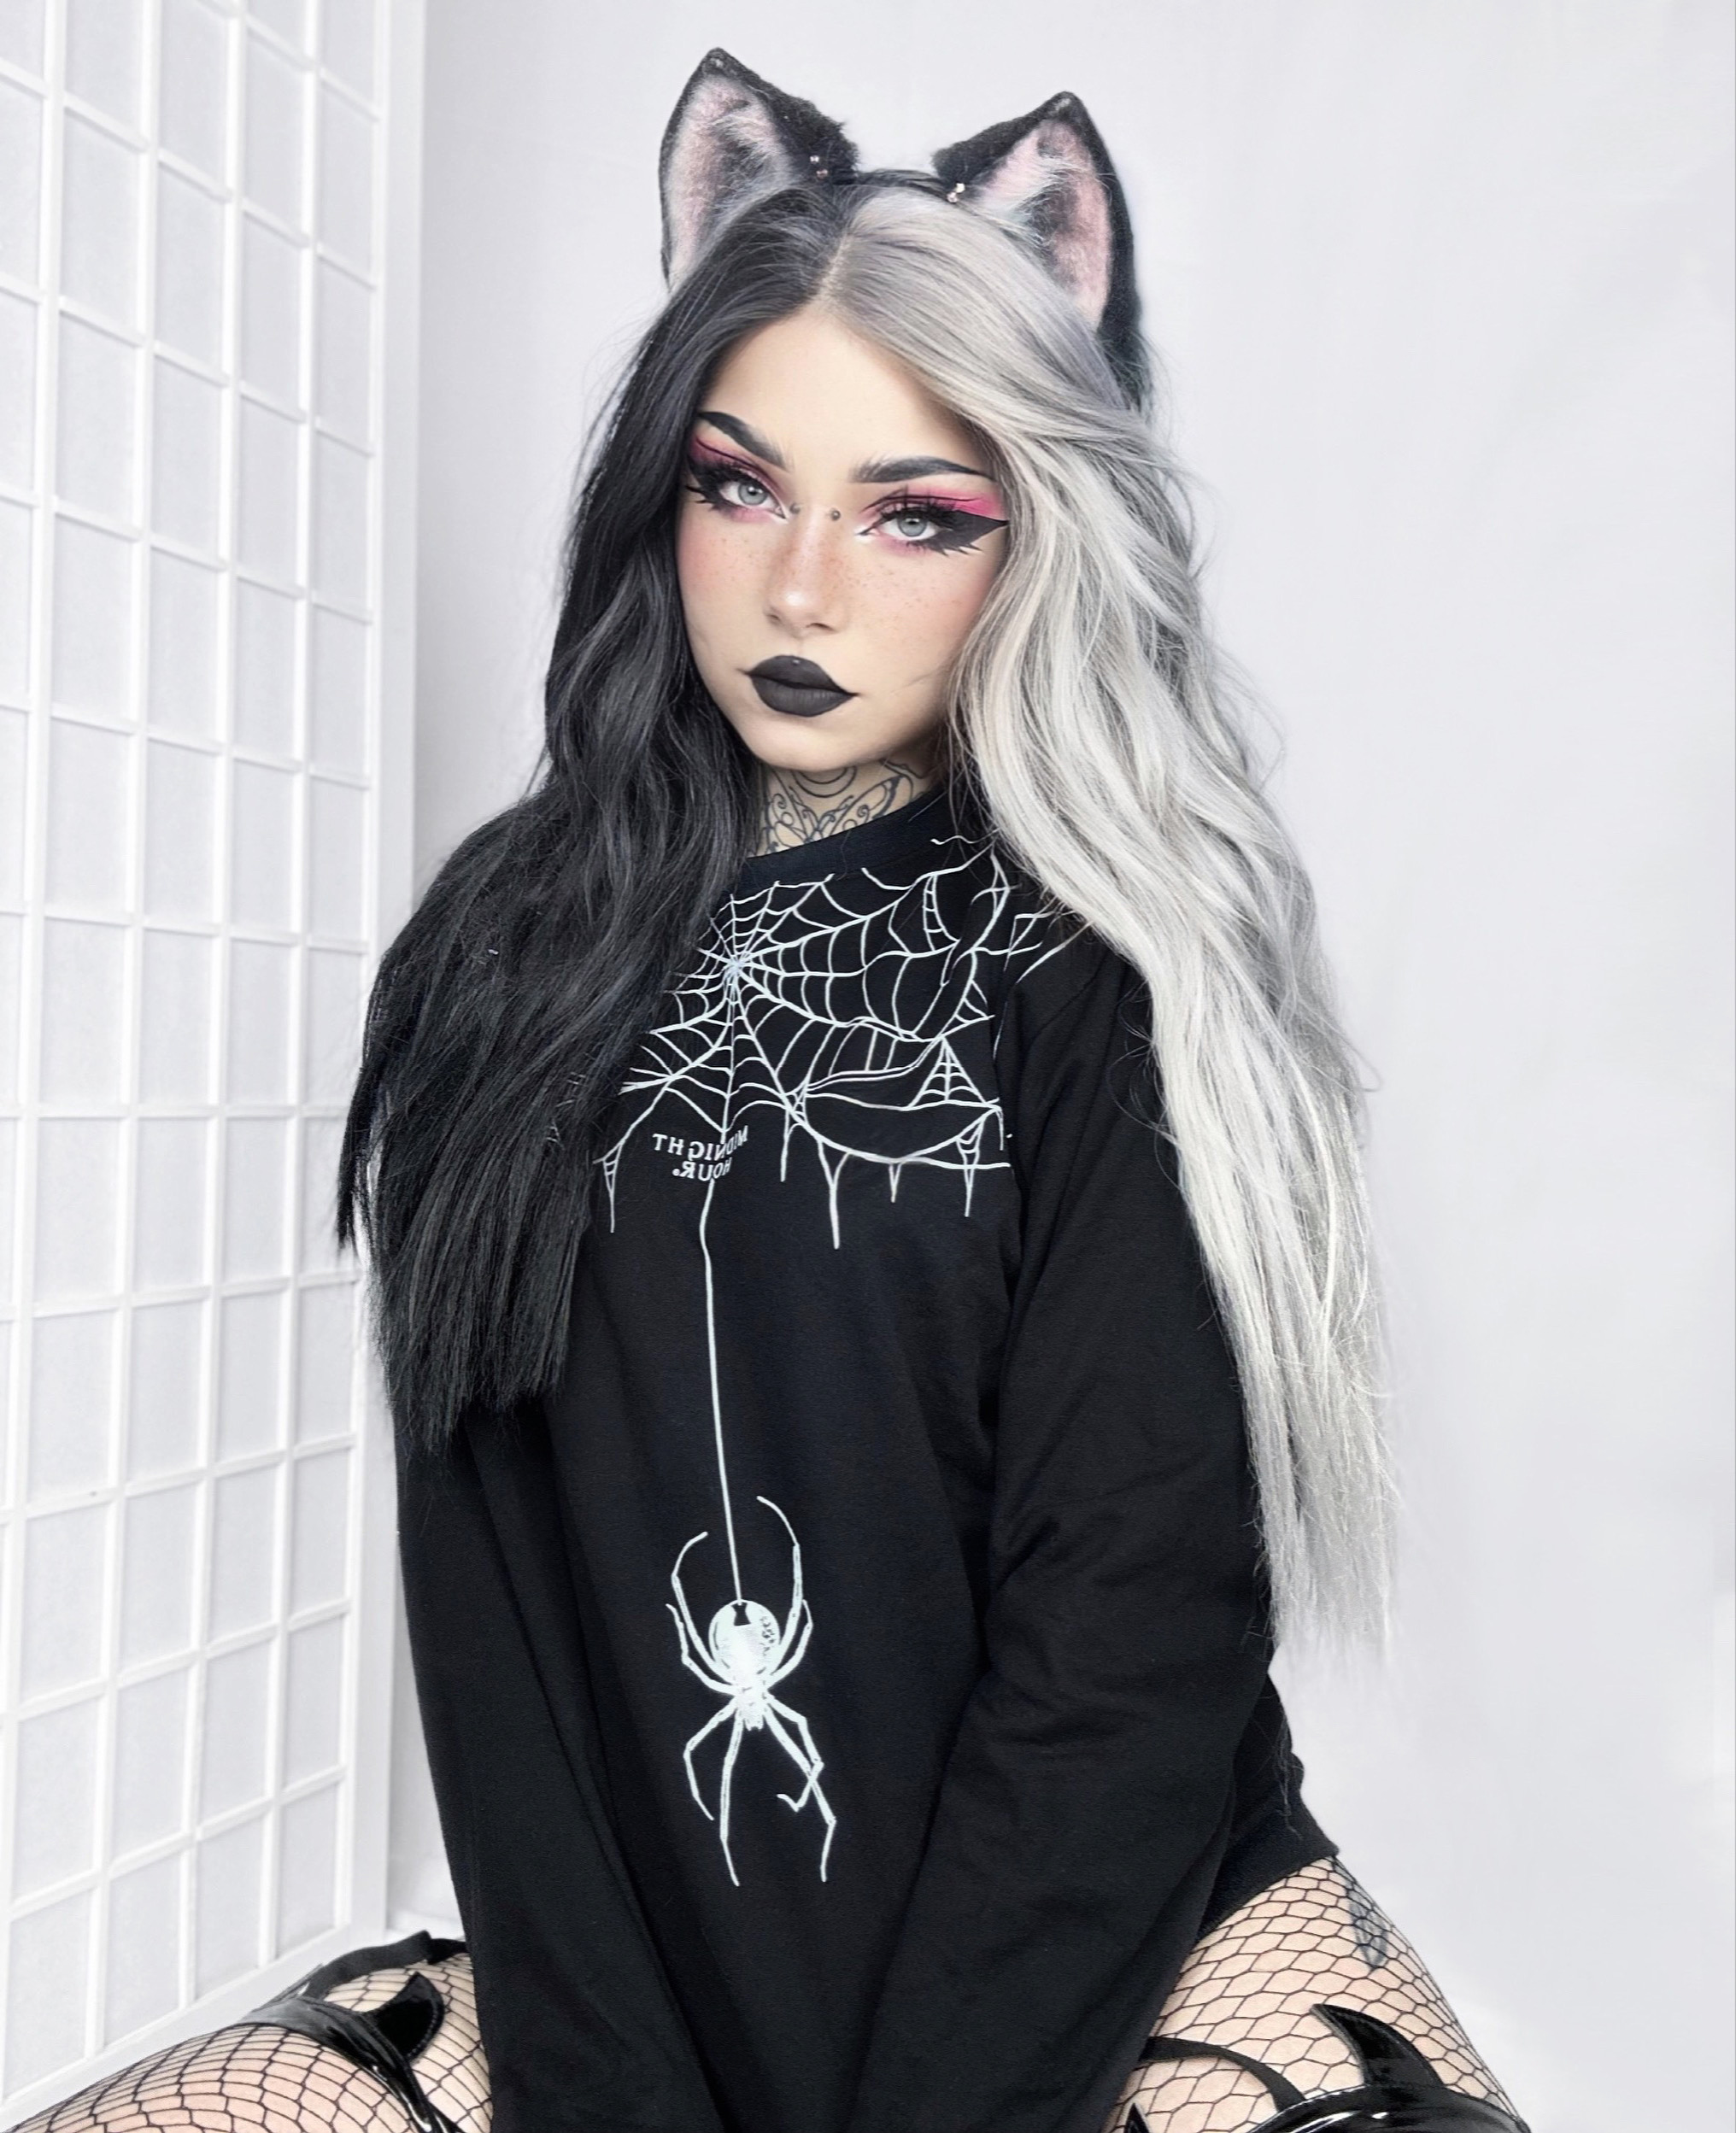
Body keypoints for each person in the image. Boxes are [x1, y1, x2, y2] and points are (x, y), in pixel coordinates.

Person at [13, 50, 1527, 2133]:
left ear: (1037, 537)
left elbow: (1124, 1642)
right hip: (634, 1995)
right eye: (741, 486)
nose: (803, 587)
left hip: (1121, 1974)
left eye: (912, 514)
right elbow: (500, 1636)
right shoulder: (506, 948)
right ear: (662, 494)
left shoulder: (1104, 965)